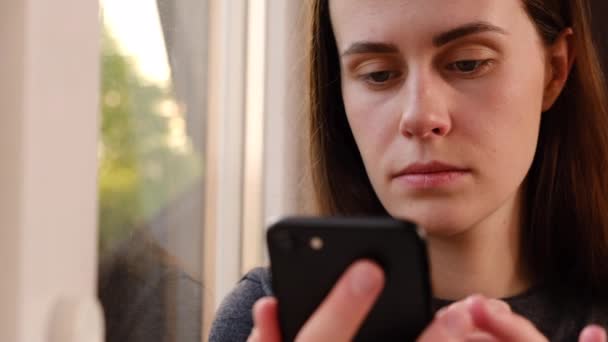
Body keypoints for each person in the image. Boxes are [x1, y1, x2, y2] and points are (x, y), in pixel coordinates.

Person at [210, 0, 608, 340]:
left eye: (468, 64)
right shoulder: (265, 321)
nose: (420, 116)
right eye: (378, 74)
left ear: (556, 69)